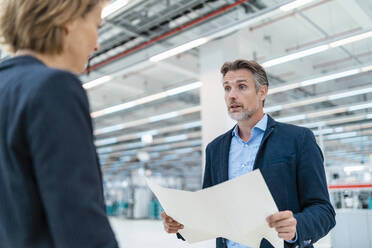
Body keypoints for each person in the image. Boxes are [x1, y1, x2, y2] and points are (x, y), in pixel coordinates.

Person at [161, 59, 336, 248]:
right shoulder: (215, 149)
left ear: (262, 92)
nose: (232, 95)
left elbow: (323, 211)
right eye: (227, 88)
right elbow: (209, 213)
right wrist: (181, 225)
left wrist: (297, 227)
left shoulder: (298, 139)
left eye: (241, 87)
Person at [0, 0, 119, 247]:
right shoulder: (54, 88)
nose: (96, 44)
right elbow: (80, 224)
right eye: (96, 26)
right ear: (69, 19)